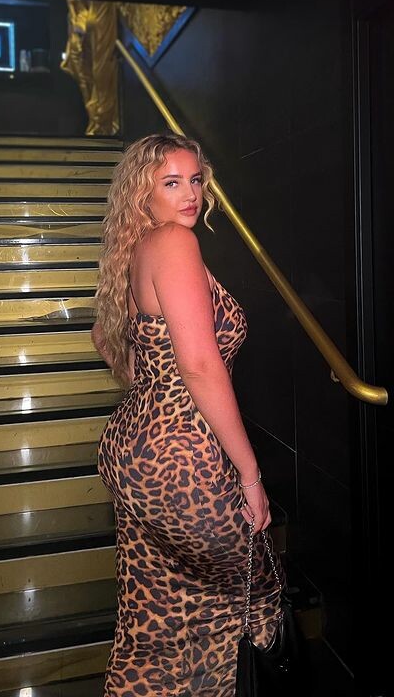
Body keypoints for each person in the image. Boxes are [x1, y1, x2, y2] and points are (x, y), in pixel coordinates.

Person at [93, 134, 284, 696]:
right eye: (172, 182)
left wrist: (154, 387)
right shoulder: (175, 242)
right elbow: (200, 366)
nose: (191, 194)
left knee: (156, 611)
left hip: (136, 447)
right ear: (142, 193)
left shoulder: (134, 248)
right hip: (182, 459)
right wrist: (250, 475)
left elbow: (105, 336)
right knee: (246, 596)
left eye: (196, 180)